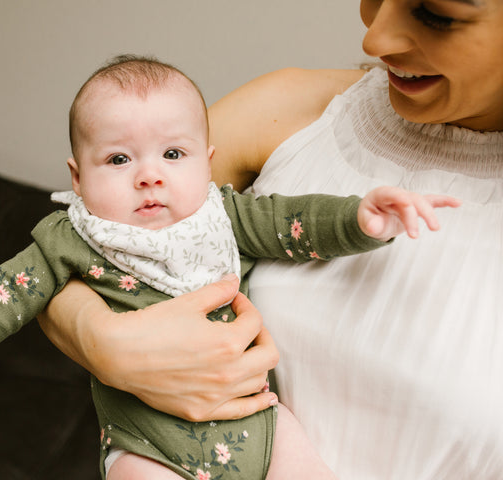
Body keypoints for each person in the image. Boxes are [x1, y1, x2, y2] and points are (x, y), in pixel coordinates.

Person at [0, 55, 458, 479]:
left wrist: (362, 219)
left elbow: (295, 223)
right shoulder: (73, 238)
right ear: (77, 178)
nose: (149, 175)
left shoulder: (225, 217)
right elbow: (4, 293)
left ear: (208, 163)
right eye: (118, 158)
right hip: (147, 446)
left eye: (173, 154)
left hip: (261, 426)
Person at [31, 2, 503, 479]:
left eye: (436, 13)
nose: (375, 39)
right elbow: (70, 247)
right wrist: (100, 339)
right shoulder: (291, 109)